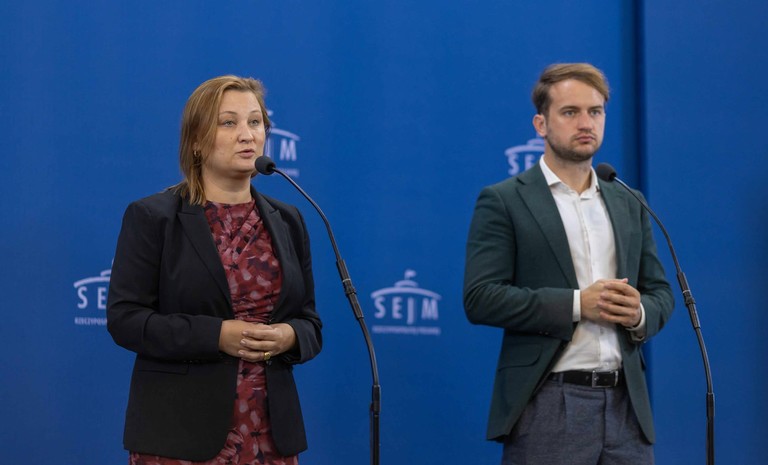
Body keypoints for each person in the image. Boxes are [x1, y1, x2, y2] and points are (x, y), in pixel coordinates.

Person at [463, 63, 674, 464]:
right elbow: (481, 297)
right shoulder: (505, 200)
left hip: (627, 405)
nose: (586, 123)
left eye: (595, 111)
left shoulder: (629, 201)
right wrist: (578, 304)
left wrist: (639, 313)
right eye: (570, 112)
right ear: (541, 124)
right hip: (548, 400)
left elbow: (660, 292)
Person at [107, 75, 322, 465]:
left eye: (255, 122)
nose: (247, 135)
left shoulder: (289, 220)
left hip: (269, 434)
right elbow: (126, 320)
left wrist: (288, 336)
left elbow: (309, 322)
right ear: (196, 140)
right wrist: (216, 335)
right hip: (177, 435)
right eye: (228, 123)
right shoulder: (153, 217)